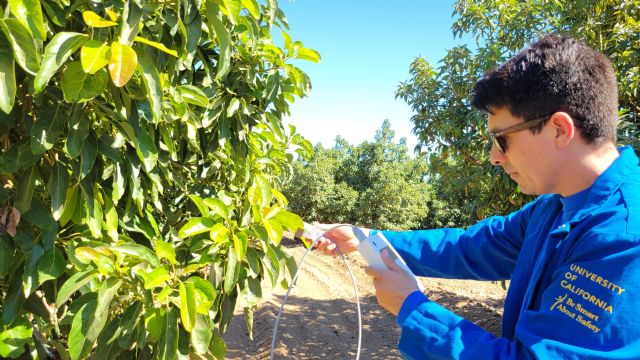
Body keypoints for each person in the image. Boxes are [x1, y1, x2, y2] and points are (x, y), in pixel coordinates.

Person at [314, 34, 640, 359]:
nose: (494, 158)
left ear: (559, 129)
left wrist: (413, 308)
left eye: (501, 139)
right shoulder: (556, 206)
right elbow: (471, 246)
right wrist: (367, 239)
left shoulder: (623, 239)